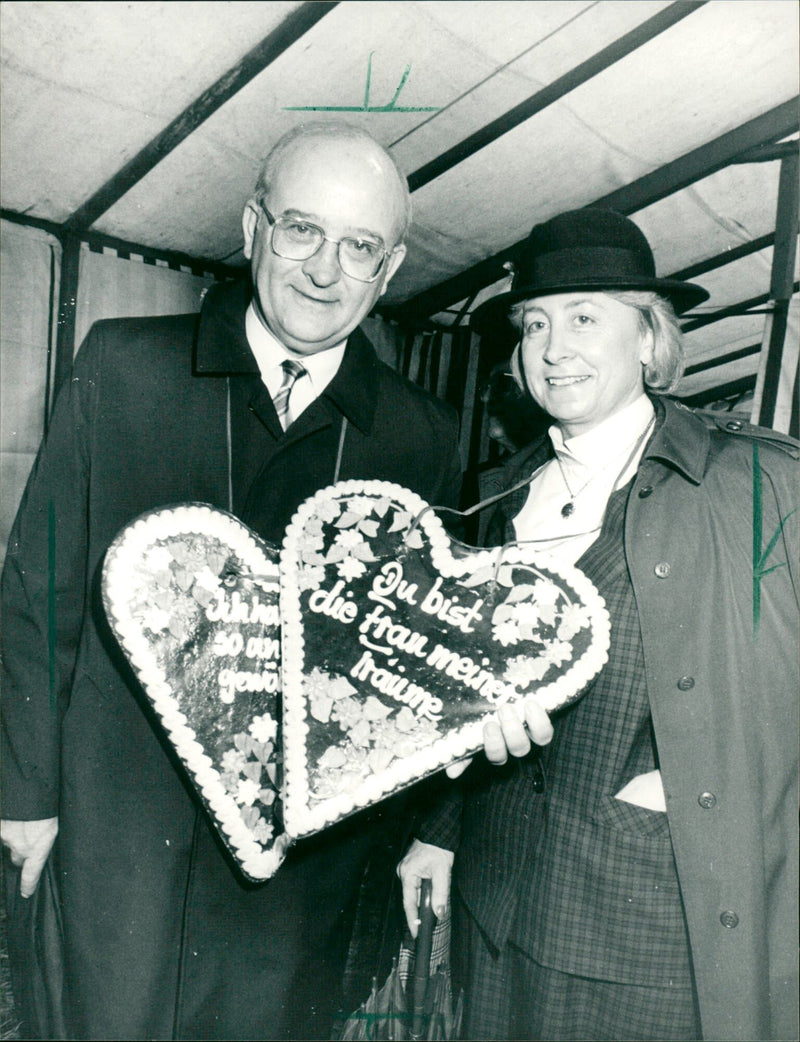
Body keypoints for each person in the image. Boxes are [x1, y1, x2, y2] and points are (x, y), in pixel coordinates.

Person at [1, 121, 462, 1040]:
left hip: (296, 871)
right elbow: (38, 593)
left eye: (359, 247)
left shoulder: (421, 435)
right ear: (253, 227)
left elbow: (420, 668)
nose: (324, 271)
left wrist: (437, 814)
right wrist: (25, 795)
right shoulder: (123, 365)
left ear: (390, 269)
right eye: (302, 229)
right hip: (114, 830)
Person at [399, 208, 798, 1042]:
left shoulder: (755, 482)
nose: (554, 348)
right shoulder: (500, 494)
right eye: (535, 324)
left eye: (585, 318)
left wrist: (694, 774)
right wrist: (442, 833)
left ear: (649, 339)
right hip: (495, 911)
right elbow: (472, 691)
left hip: (643, 917)